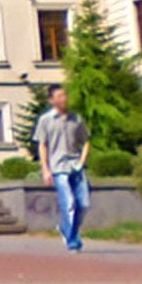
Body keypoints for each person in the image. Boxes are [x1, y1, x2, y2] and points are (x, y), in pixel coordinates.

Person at [34, 83, 92, 251]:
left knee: (84, 204)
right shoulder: (46, 120)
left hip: (75, 166)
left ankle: (66, 228)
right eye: (59, 96)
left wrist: (82, 160)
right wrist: (45, 169)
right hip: (58, 167)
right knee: (69, 203)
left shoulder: (76, 119)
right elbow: (42, 145)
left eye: (65, 95)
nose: (63, 99)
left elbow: (86, 140)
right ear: (51, 100)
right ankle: (73, 240)